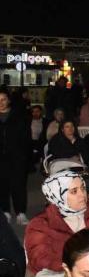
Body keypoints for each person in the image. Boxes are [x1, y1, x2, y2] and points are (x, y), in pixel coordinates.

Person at [0, 87, 30, 225]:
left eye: (3, 99)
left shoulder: (19, 116)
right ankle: (5, 211)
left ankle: (20, 213)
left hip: (17, 156)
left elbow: (26, 138)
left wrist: (25, 156)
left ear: (9, 100)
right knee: (2, 184)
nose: (1, 103)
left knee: (18, 184)